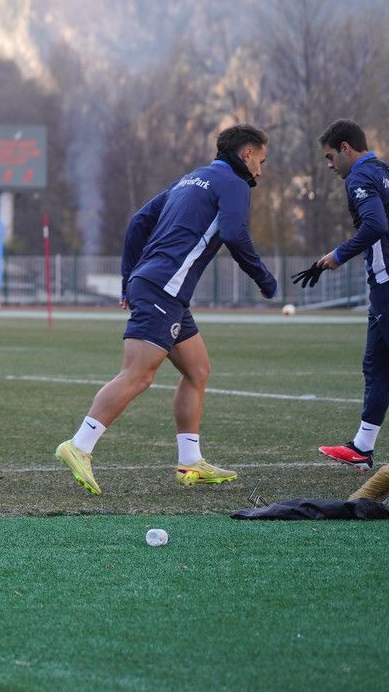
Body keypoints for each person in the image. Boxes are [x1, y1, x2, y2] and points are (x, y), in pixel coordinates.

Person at [56, 124, 279, 495]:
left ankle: (190, 461)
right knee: (138, 375)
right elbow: (234, 233)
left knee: (197, 370)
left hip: (161, 288)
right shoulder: (234, 184)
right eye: (261, 160)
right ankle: (79, 445)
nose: (260, 170)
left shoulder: (190, 179)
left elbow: (139, 221)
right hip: (164, 288)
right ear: (247, 154)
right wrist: (264, 278)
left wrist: (128, 279)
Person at [298, 120, 389, 468]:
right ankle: (362, 448)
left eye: (330, 156)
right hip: (381, 284)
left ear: (346, 148)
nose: (329, 165)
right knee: (376, 365)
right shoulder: (383, 170)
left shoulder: (360, 176)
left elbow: (376, 225)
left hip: (387, 281)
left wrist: (338, 255)